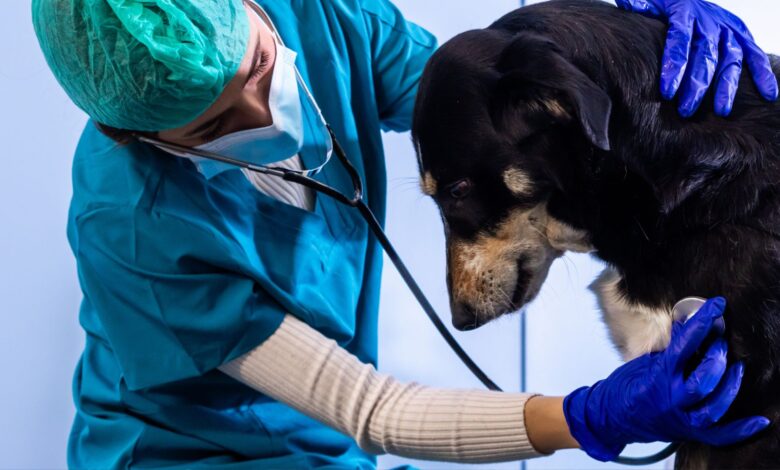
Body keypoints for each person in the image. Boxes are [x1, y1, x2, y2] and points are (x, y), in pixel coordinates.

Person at [32, 0, 776, 468]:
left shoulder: (325, 23)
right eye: (216, 124)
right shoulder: (133, 228)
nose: (263, 112)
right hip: (187, 457)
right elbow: (370, 410)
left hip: (330, 452)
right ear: (135, 135)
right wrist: (587, 417)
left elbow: (489, 98)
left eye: (258, 65)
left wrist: (634, 31)